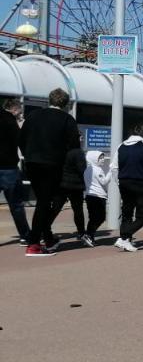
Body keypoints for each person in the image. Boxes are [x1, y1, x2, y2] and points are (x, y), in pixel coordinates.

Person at [18, 87, 79, 256]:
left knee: (43, 202)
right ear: (66, 104)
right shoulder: (67, 120)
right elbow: (74, 147)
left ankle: (48, 237)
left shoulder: (33, 116)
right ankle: (34, 243)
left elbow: (22, 139)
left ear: (49, 100)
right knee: (48, 203)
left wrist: (28, 155)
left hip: (32, 163)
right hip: (53, 165)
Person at [114, 124, 143, 252]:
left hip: (123, 182)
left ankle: (126, 240)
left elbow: (114, 167)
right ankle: (124, 237)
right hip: (139, 182)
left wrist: (118, 182)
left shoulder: (121, 146)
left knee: (127, 212)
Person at [0, 98, 31, 243]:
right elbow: (21, 141)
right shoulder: (11, 122)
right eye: (19, 111)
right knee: (16, 205)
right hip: (8, 168)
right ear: (14, 109)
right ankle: (25, 235)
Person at [50, 135, 88, 242]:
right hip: (75, 185)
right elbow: (82, 169)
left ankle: (44, 229)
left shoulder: (62, 150)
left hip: (61, 184)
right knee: (78, 210)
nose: (82, 140)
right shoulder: (78, 152)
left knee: (55, 208)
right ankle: (81, 232)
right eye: (80, 138)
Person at [82, 148, 111, 245]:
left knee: (93, 217)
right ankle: (89, 234)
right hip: (98, 196)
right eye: (100, 158)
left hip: (89, 196)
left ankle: (90, 236)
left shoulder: (87, 169)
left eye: (103, 157)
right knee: (101, 217)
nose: (103, 159)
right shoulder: (97, 169)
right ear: (94, 159)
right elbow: (104, 181)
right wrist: (111, 171)